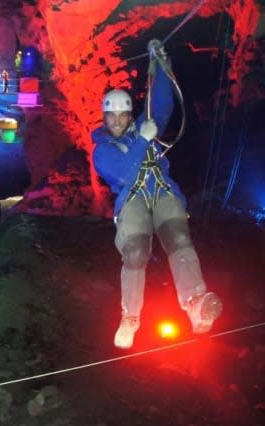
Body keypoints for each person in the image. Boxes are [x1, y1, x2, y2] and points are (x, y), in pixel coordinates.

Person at [91, 39, 222, 349]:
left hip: (162, 189)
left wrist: (160, 64)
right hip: (132, 197)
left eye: (124, 114)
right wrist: (141, 141)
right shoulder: (101, 151)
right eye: (113, 116)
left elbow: (161, 103)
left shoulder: (142, 126)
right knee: (135, 251)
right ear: (104, 118)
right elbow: (124, 174)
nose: (119, 120)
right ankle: (130, 317)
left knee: (178, 237)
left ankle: (195, 302)